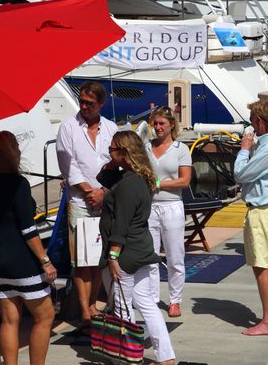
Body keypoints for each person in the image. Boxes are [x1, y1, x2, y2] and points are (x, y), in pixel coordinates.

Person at [0, 131, 57, 365]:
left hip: (0, 259)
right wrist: (46, 260)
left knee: (10, 320)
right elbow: (28, 230)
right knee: (45, 316)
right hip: (23, 261)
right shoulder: (19, 184)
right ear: (12, 153)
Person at [98, 131, 176, 365]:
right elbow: (102, 177)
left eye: (112, 150)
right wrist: (114, 161)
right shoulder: (137, 177)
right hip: (140, 247)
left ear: (125, 152)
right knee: (145, 302)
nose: (108, 153)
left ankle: (128, 357)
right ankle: (165, 357)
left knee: (123, 306)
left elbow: (120, 225)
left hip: (126, 252)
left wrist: (113, 257)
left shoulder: (128, 185)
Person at [55, 81, 117, 334]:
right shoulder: (68, 127)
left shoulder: (111, 128)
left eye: (89, 103)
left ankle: (93, 305)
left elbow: (116, 164)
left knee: (97, 260)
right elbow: (68, 167)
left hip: (104, 200)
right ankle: (85, 312)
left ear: (100, 104)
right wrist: (90, 192)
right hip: (80, 201)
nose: (83, 106)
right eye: (81, 101)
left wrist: (103, 192)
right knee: (82, 260)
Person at [233, 99, 268, 336]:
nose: (251, 127)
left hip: (262, 211)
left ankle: (267, 321)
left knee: (261, 266)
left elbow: (240, 174)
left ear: (258, 120)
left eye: (252, 122)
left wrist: (244, 150)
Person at [145, 106, 192, 318]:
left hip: (172, 206)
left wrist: (158, 183)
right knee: (151, 256)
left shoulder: (181, 149)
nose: (157, 128)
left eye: (162, 123)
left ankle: (175, 300)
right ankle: (153, 298)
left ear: (171, 124)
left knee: (175, 257)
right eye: (155, 124)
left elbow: (185, 180)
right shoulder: (146, 147)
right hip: (149, 207)